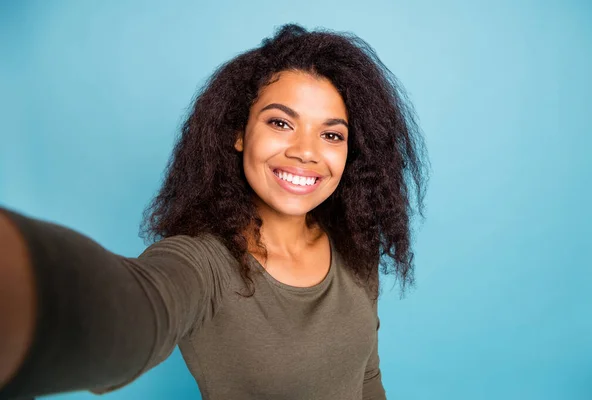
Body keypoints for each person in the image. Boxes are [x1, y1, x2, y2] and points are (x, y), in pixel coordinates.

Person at [0, 23, 429, 399]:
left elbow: (367, 379)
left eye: (331, 135)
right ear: (238, 134)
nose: (305, 152)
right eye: (280, 123)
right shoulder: (204, 265)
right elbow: (135, 309)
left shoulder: (355, 244)